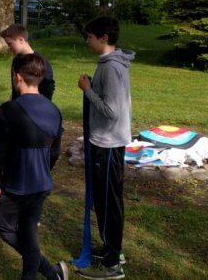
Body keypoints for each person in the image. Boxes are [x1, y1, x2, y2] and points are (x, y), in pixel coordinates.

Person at [0, 54, 68, 280]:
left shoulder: (9, 109)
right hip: (41, 183)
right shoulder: (54, 110)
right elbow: (55, 151)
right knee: (29, 233)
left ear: (17, 77)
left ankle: (49, 272)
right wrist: (43, 170)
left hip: (15, 184)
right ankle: (52, 274)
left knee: (6, 229)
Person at [75, 17, 134, 280]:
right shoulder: (109, 63)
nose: (87, 41)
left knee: (108, 203)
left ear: (104, 38)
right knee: (104, 199)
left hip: (108, 143)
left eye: (90, 36)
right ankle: (112, 248)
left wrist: (87, 90)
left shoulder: (111, 68)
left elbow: (111, 110)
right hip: (106, 141)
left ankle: (112, 265)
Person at [0, 24, 55, 100]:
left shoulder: (40, 62)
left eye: (10, 44)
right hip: (18, 104)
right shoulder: (16, 60)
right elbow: (16, 89)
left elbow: (48, 88)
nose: (9, 47)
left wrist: (41, 103)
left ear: (21, 40)